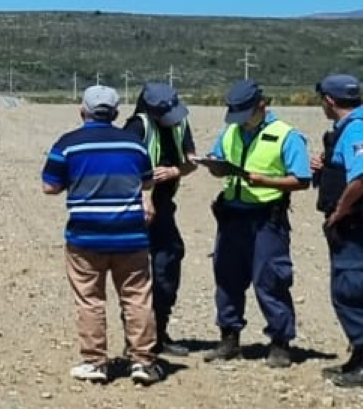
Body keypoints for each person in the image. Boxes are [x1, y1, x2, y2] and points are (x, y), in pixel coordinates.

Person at [41, 84, 160, 384]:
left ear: (83, 111)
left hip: (86, 237)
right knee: (137, 298)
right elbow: (146, 182)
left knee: (90, 299)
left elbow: (49, 186)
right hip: (130, 235)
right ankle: (143, 361)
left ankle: (95, 361)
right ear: (116, 113)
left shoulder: (68, 144)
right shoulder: (134, 145)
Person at [203, 78, 311, 366]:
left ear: (262, 104)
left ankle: (280, 343)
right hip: (231, 218)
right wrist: (214, 164)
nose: (241, 122)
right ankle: (229, 338)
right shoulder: (230, 133)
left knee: (271, 279)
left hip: (266, 220)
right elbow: (219, 157)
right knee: (227, 278)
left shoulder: (286, 136)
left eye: (246, 114)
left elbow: (301, 179)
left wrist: (265, 180)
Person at [124, 81, 197, 352]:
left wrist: (177, 171)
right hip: (137, 208)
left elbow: (192, 160)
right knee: (136, 273)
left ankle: (159, 333)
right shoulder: (137, 126)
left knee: (168, 262)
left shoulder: (180, 123)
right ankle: (136, 340)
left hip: (164, 206)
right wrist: (144, 194)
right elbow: (125, 165)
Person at [313, 72, 363, 386]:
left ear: (330, 101)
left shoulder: (356, 128)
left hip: (354, 224)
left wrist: (340, 211)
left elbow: (360, 179)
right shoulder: (347, 129)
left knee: (350, 290)